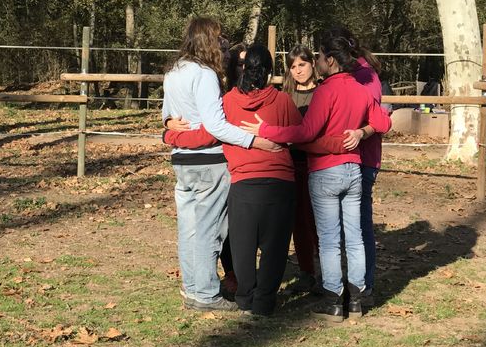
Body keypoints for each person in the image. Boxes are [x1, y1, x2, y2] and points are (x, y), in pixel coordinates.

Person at [239, 31, 392, 322]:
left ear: (330, 61)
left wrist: (266, 131)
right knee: (355, 237)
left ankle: (333, 300)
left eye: (320, 57)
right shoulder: (360, 89)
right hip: (353, 169)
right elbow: (383, 121)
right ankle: (356, 299)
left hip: (325, 171)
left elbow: (305, 132)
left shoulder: (326, 91)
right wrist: (361, 132)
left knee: (330, 238)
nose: (318, 61)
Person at [167, 45, 300, 315]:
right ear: (269, 72)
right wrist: (271, 134)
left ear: (243, 69)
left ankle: (244, 297)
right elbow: (301, 132)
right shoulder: (283, 101)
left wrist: (170, 132)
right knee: (275, 246)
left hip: (242, 180)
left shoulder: (227, 101)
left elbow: (209, 131)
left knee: (242, 245)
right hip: (279, 180)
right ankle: (264, 301)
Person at [325, 26, 390, 303]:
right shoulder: (346, 75)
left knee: (358, 226)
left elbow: (379, 118)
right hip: (345, 158)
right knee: (347, 227)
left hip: (362, 159)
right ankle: (346, 284)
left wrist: (361, 132)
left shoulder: (364, 76)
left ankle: (364, 287)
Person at [282, 45, 320, 292]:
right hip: (291, 164)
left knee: (318, 221)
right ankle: (307, 271)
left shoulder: (323, 93)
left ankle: (327, 271)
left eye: (302, 65)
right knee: (298, 222)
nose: (298, 70)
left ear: (312, 64)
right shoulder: (285, 96)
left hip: (317, 164)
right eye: (293, 66)